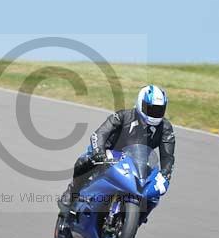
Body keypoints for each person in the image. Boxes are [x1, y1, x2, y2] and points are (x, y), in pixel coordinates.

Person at [58, 84, 175, 216]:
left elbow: (168, 156)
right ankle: (72, 193)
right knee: (84, 161)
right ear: (140, 103)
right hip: (109, 153)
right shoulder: (123, 116)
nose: (155, 114)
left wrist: (165, 173)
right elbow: (99, 134)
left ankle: (133, 220)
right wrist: (99, 153)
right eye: (151, 109)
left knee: (154, 196)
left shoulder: (165, 128)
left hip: (138, 161)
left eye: (159, 110)